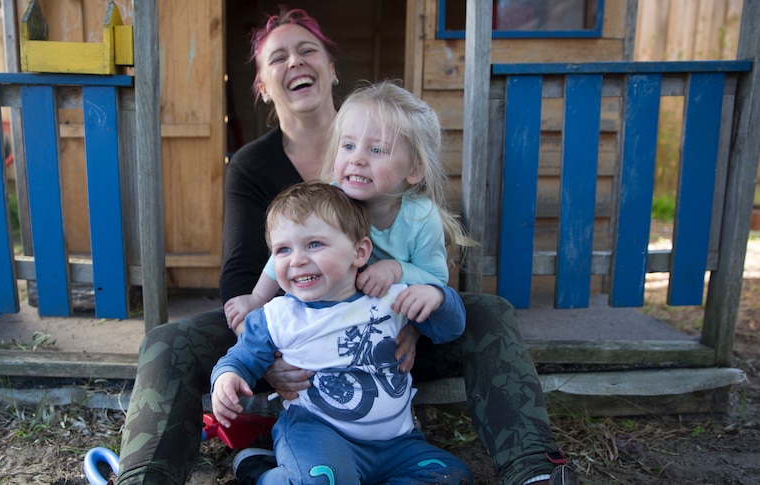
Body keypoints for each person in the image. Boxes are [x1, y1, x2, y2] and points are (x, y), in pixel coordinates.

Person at [115, 7, 578, 485]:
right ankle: (144, 477)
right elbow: (242, 279)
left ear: (332, 69)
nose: (294, 61)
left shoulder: (392, 138)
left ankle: (533, 470)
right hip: (294, 333)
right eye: (278, 58)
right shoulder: (253, 165)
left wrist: (414, 323)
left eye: (307, 49)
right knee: (167, 341)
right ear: (262, 85)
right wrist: (274, 355)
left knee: (487, 311)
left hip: (386, 339)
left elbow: (433, 272)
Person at [211, 181, 473, 484]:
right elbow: (241, 358)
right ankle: (261, 476)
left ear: (359, 252)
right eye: (283, 249)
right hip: (317, 435)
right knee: (325, 479)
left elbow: (450, 329)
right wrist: (227, 378)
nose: (296, 260)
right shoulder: (277, 316)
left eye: (314, 244)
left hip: (398, 443)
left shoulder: (391, 298)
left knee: (451, 475)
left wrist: (437, 298)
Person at [223, 80, 468, 334]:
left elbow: (436, 281)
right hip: (327, 312)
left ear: (414, 169)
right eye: (348, 146)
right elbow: (287, 249)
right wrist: (258, 299)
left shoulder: (421, 217)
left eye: (376, 149)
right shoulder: (328, 200)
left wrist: (395, 270)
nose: (357, 159)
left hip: (387, 320)